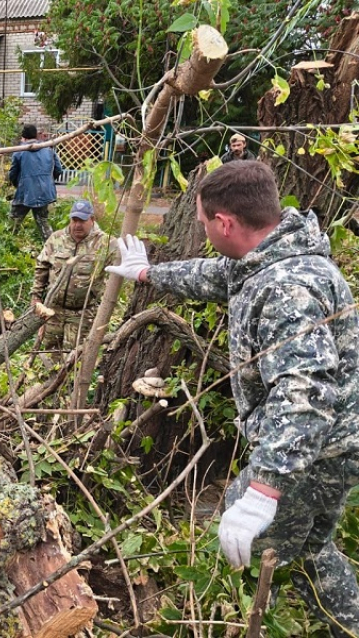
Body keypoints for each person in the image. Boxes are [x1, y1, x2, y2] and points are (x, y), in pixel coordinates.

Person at [106, 161, 359, 636]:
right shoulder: (273, 256)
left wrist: (264, 490)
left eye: (203, 222)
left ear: (225, 222)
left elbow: (303, 394)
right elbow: (215, 277)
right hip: (331, 447)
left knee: (246, 543)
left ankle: (247, 621)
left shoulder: (288, 288)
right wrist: (148, 274)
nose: (203, 232)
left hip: (316, 451)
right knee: (311, 552)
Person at [31, 199, 114, 351]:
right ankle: (51, 376)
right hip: (53, 311)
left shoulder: (105, 243)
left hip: (82, 313)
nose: (77, 225)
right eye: (74, 220)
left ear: (92, 219)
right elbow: (42, 267)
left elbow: (118, 270)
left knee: (74, 357)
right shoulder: (56, 239)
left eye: (82, 221)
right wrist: (36, 297)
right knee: (50, 353)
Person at [9, 124, 63, 242]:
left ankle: (7, 245)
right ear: (36, 135)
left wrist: (17, 184)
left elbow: (12, 173)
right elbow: (59, 169)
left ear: (23, 137)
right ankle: (52, 249)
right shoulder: (48, 149)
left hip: (25, 192)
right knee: (43, 222)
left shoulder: (19, 151)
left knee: (14, 220)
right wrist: (47, 181)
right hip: (44, 192)